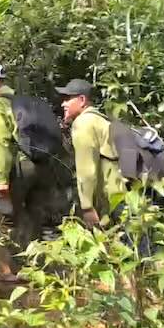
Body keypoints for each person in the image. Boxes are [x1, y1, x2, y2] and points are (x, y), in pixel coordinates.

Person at [0, 60, 58, 246]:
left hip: (22, 166)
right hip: (44, 163)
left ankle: (14, 258)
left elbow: (0, 142)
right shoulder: (21, 101)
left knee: (7, 217)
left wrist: (2, 180)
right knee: (38, 215)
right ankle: (48, 256)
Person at [55, 79, 126, 229]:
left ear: (82, 100)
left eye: (68, 98)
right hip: (123, 193)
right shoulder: (99, 119)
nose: (63, 104)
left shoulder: (83, 123)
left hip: (113, 201)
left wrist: (87, 207)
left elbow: (86, 170)